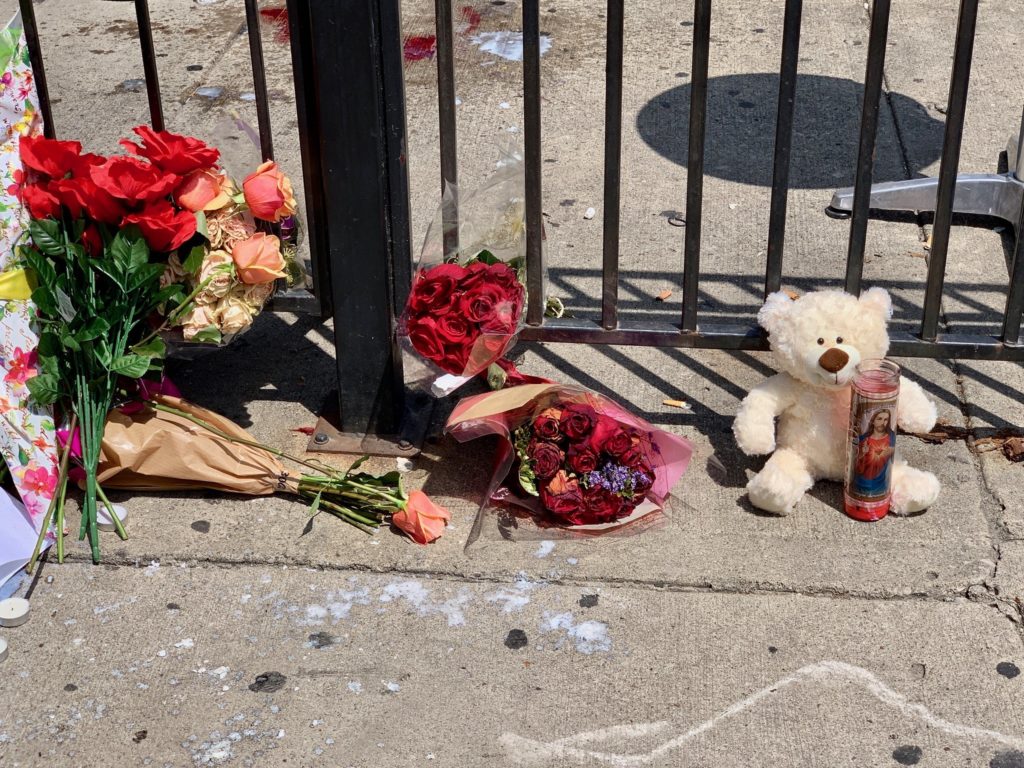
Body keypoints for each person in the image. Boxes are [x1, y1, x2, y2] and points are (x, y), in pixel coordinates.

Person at [853, 408, 895, 497]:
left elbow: (890, 456)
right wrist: (862, 453)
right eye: (879, 419)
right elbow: (854, 462)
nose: (883, 423)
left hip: (880, 485)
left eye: (886, 419)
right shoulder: (863, 439)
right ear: (873, 421)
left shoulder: (891, 437)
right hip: (861, 483)